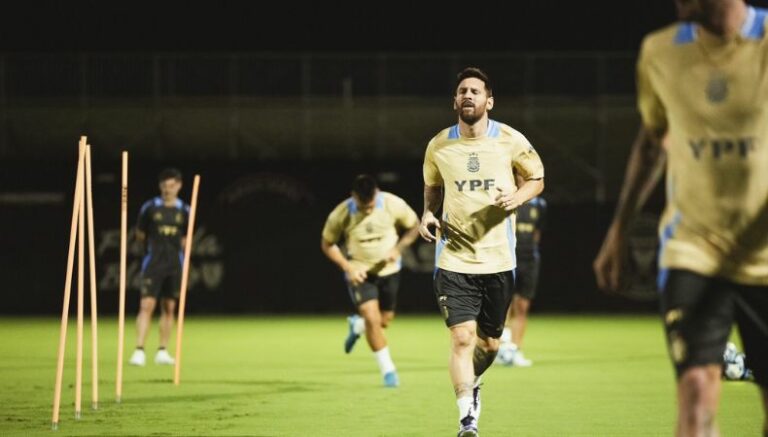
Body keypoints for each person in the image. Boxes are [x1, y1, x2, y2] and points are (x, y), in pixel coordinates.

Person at [593, 1, 768, 435]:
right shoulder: (660, 51)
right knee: (695, 390)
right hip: (692, 248)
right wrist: (618, 231)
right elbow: (653, 142)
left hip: (764, 253)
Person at [420, 67, 544, 437]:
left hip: (498, 260)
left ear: (489, 101)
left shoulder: (510, 139)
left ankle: (470, 385)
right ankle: (466, 420)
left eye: (475, 91)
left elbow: (537, 179)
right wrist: (427, 212)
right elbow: (432, 186)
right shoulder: (438, 145)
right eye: (462, 91)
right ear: (454, 101)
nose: (468, 96)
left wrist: (517, 197)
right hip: (453, 258)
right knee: (461, 338)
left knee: (489, 345)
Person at [320, 174, 420, 388]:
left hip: (389, 271)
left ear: (377, 193)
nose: (367, 210)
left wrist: (398, 249)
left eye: (371, 205)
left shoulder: (393, 204)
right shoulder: (341, 213)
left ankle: (357, 326)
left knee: (384, 321)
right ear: (353, 196)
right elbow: (327, 244)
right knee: (372, 320)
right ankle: (388, 371)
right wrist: (348, 267)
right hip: (360, 274)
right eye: (362, 206)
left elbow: (415, 226)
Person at [128, 168, 189, 366]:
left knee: (169, 308)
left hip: (174, 265)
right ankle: (139, 350)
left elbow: (186, 237)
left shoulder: (184, 210)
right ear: (160, 186)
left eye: (171, 186)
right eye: (164, 186)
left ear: (178, 186)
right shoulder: (150, 208)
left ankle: (162, 351)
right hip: (153, 264)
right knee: (146, 305)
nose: (167, 190)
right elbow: (140, 235)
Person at [497, 194, 547, 367]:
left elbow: (537, 234)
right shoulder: (508, 197)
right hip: (507, 257)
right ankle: (500, 348)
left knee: (522, 307)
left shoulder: (539, 204)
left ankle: (515, 350)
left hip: (529, 260)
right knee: (504, 305)